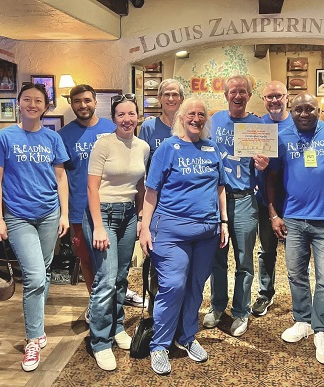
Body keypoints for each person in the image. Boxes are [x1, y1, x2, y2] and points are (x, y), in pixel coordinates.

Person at [0, 83, 69, 372]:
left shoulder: (52, 138)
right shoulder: (5, 137)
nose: (33, 104)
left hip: (49, 214)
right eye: (27, 100)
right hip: (18, 216)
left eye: (39, 100)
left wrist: (65, 214)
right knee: (34, 276)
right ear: (18, 103)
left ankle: (39, 326)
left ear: (46, 106)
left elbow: (60, 179)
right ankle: (33, 339)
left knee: (43, 272)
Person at [139, 97, 228, 375]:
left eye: (201, 115)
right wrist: (144, 226)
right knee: (174, 286)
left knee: (195, 287)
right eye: (191, 114)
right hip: (170, 231)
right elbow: (151, 191)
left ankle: (187, 337)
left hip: (207, 232)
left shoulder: (212, 148)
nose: (196, 118)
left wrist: (223, 221)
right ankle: (159, 345)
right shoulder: (168, 148)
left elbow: (220, 188)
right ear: (181, 117)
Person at [266, 92, 324, 365]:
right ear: (290, 109)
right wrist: (274, 214)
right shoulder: (282, 135)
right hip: (294, 219)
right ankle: (302, 320)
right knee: (296, 274)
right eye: (298, 109)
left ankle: (322, 330)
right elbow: (271, 178)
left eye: (310, 109)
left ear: (319, 110)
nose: (304, 114)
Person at [82, 94, 149, 371]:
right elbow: (91, 188)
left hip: (128, 216)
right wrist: (98, 225)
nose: (126, 119)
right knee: (106, 279)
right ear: (114, 118)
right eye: (121, 114)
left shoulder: (143, 147)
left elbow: (141, 186)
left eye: (131, 114)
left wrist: (142, 217)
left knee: (122, 277)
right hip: (103, 216)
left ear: (137, 116)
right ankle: (99, 341)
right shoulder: (103, 143)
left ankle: (117, 327)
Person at [203, 75, 269, 337]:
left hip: (243, 200)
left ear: (249, 95)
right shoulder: (214, 120)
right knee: (217, 257)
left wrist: (263, 167)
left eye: (243, 91)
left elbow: (264, 169)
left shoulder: (259, 125)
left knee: (244, 260)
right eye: (233, 91)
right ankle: (217, 305)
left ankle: (241, 311)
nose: (238, 96)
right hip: (215, 200)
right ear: (226, 95)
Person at [58, 84, 115, 317]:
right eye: (78, 101)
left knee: (111, 262)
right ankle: (96, 306)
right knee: (87, 261)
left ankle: (113, 305)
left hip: (111, 206)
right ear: (71, 104)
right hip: (79, 209)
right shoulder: (63, 135)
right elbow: (60, 175)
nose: (83, 105)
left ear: (95, 102)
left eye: (87, 100)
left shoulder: (111, 128)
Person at [136, 78, 185, 311]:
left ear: (182, 98)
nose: (171, 98)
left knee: (181, 262)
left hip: (182, 204)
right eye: (166, 94)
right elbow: (141, 167)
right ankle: (157, 309)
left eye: (175, 94)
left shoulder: (188, 125)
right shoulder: (148, 127)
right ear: (160, 99)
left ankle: (180, 309)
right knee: (157, 259)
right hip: (156, 204)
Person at [251, 80, 293, 317]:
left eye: (279, 96)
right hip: (264, 199)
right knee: (266, 249)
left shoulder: (298, 123)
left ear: (287, 97)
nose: (274, 100)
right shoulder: (257, 125)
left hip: (295, 200)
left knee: (297, 253)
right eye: (269, 97)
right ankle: (265, 293)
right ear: (264, 100)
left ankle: (301, 298)